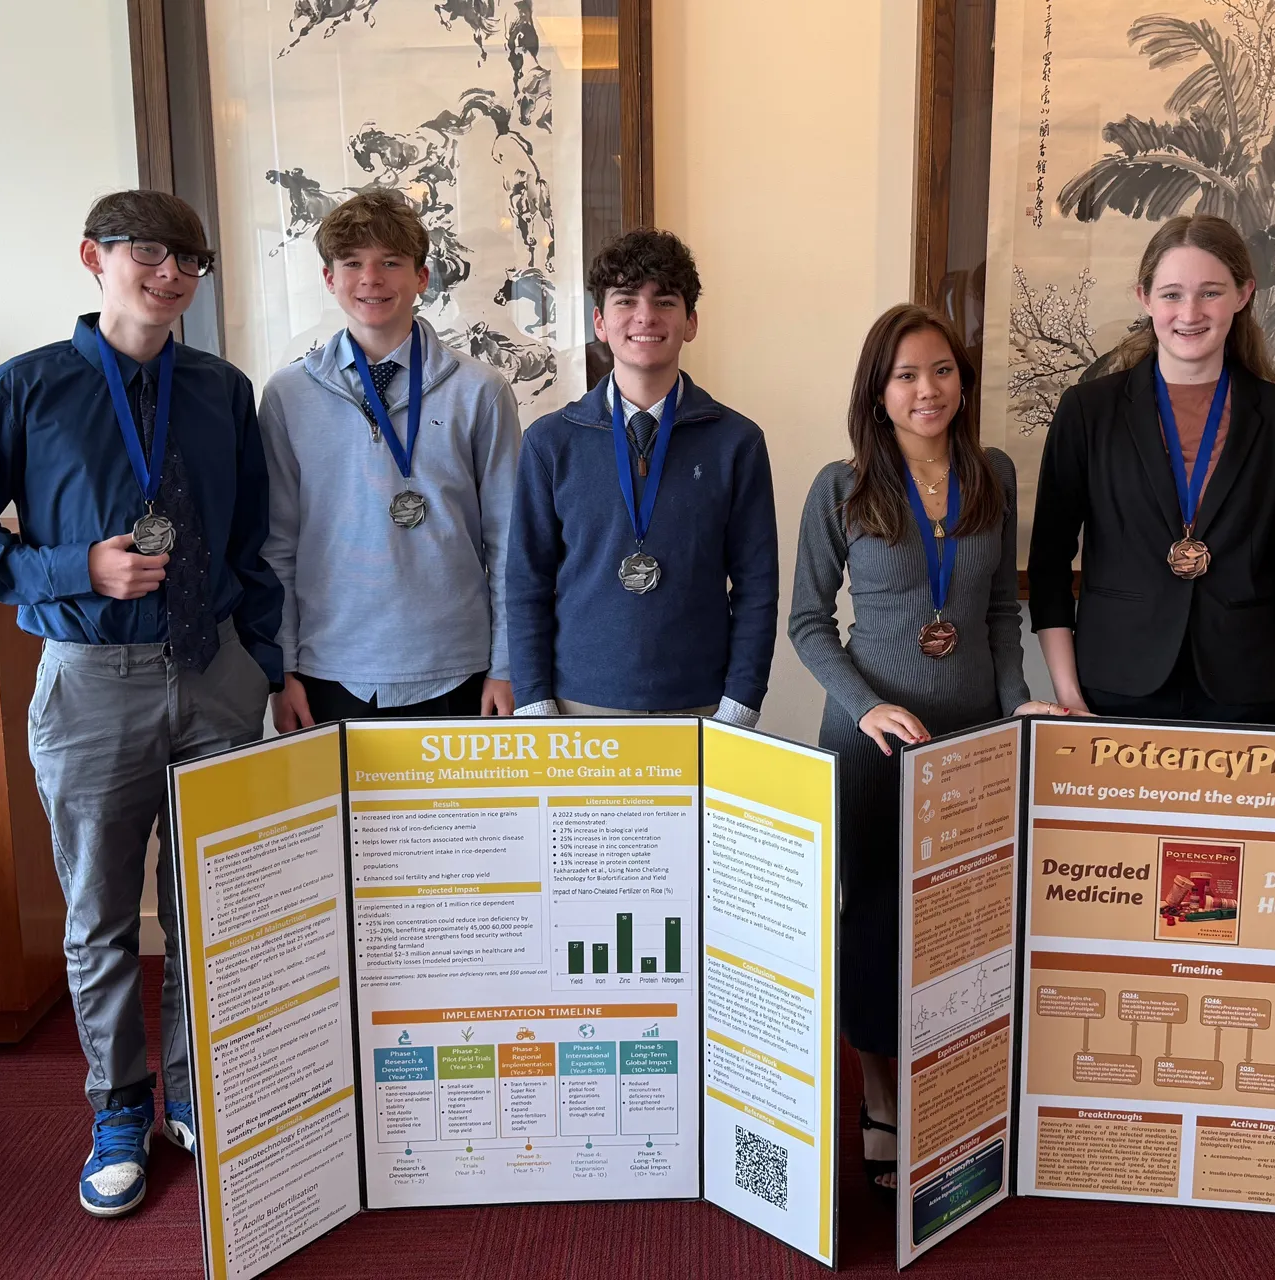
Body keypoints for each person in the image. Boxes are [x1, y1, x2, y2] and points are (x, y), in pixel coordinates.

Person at [0, 191, 282, 1218]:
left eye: (190, 260)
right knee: (100, 913)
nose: (171, 275)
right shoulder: (25, 387)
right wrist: (75, 566)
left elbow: (253, 540)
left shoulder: (221, 390)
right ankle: (120, 1106)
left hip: (215, 674)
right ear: (95, 256)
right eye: (150, 253)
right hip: (91, 679)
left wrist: (258, 661)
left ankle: (195, 1090)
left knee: (210, 903)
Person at [789, 304, 1070, 1194]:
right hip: (872, 745)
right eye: (906, 375)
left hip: (972, 744)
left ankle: (952, 1091)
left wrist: (1018, 705)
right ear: (878, 390)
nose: (927, 390)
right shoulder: (841, 487)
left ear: (962, 380)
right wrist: (868, 706)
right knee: (874, 921)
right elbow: (807, 623)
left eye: (942, 370)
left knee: (963, 924)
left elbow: (998, 614)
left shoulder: (994, 475)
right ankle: (880, 1101)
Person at [1027, 213, 1275, 727]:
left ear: (1243, 294)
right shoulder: (1087, 411)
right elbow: (1049, 564)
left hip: (1241, 686)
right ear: (1144, 298)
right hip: (1112, 685)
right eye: (1171, 294)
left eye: (1211, 292)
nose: (1190, 313)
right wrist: (1069, 695)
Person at [261, 189, 519, 728]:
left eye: (391, 263)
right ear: (329, 278)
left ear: (422, 278)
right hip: (328, 668)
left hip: (457, 666)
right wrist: (282, 668)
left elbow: (507, 541)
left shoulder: (480, 390)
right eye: (352, 263)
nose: (371, 279)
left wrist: (506, 664)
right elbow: (278, 543)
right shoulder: (288, 395)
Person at [507, 229, 776, 721]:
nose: (646, 316)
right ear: (600, 322)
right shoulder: (550, 442)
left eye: (665, 301)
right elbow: (527, 582)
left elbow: (757, 584)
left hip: (702, 703)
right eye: (626, 300)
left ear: (690, 322)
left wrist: (741, 701)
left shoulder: (737, 442)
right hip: (577, 700)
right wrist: (533, 699)